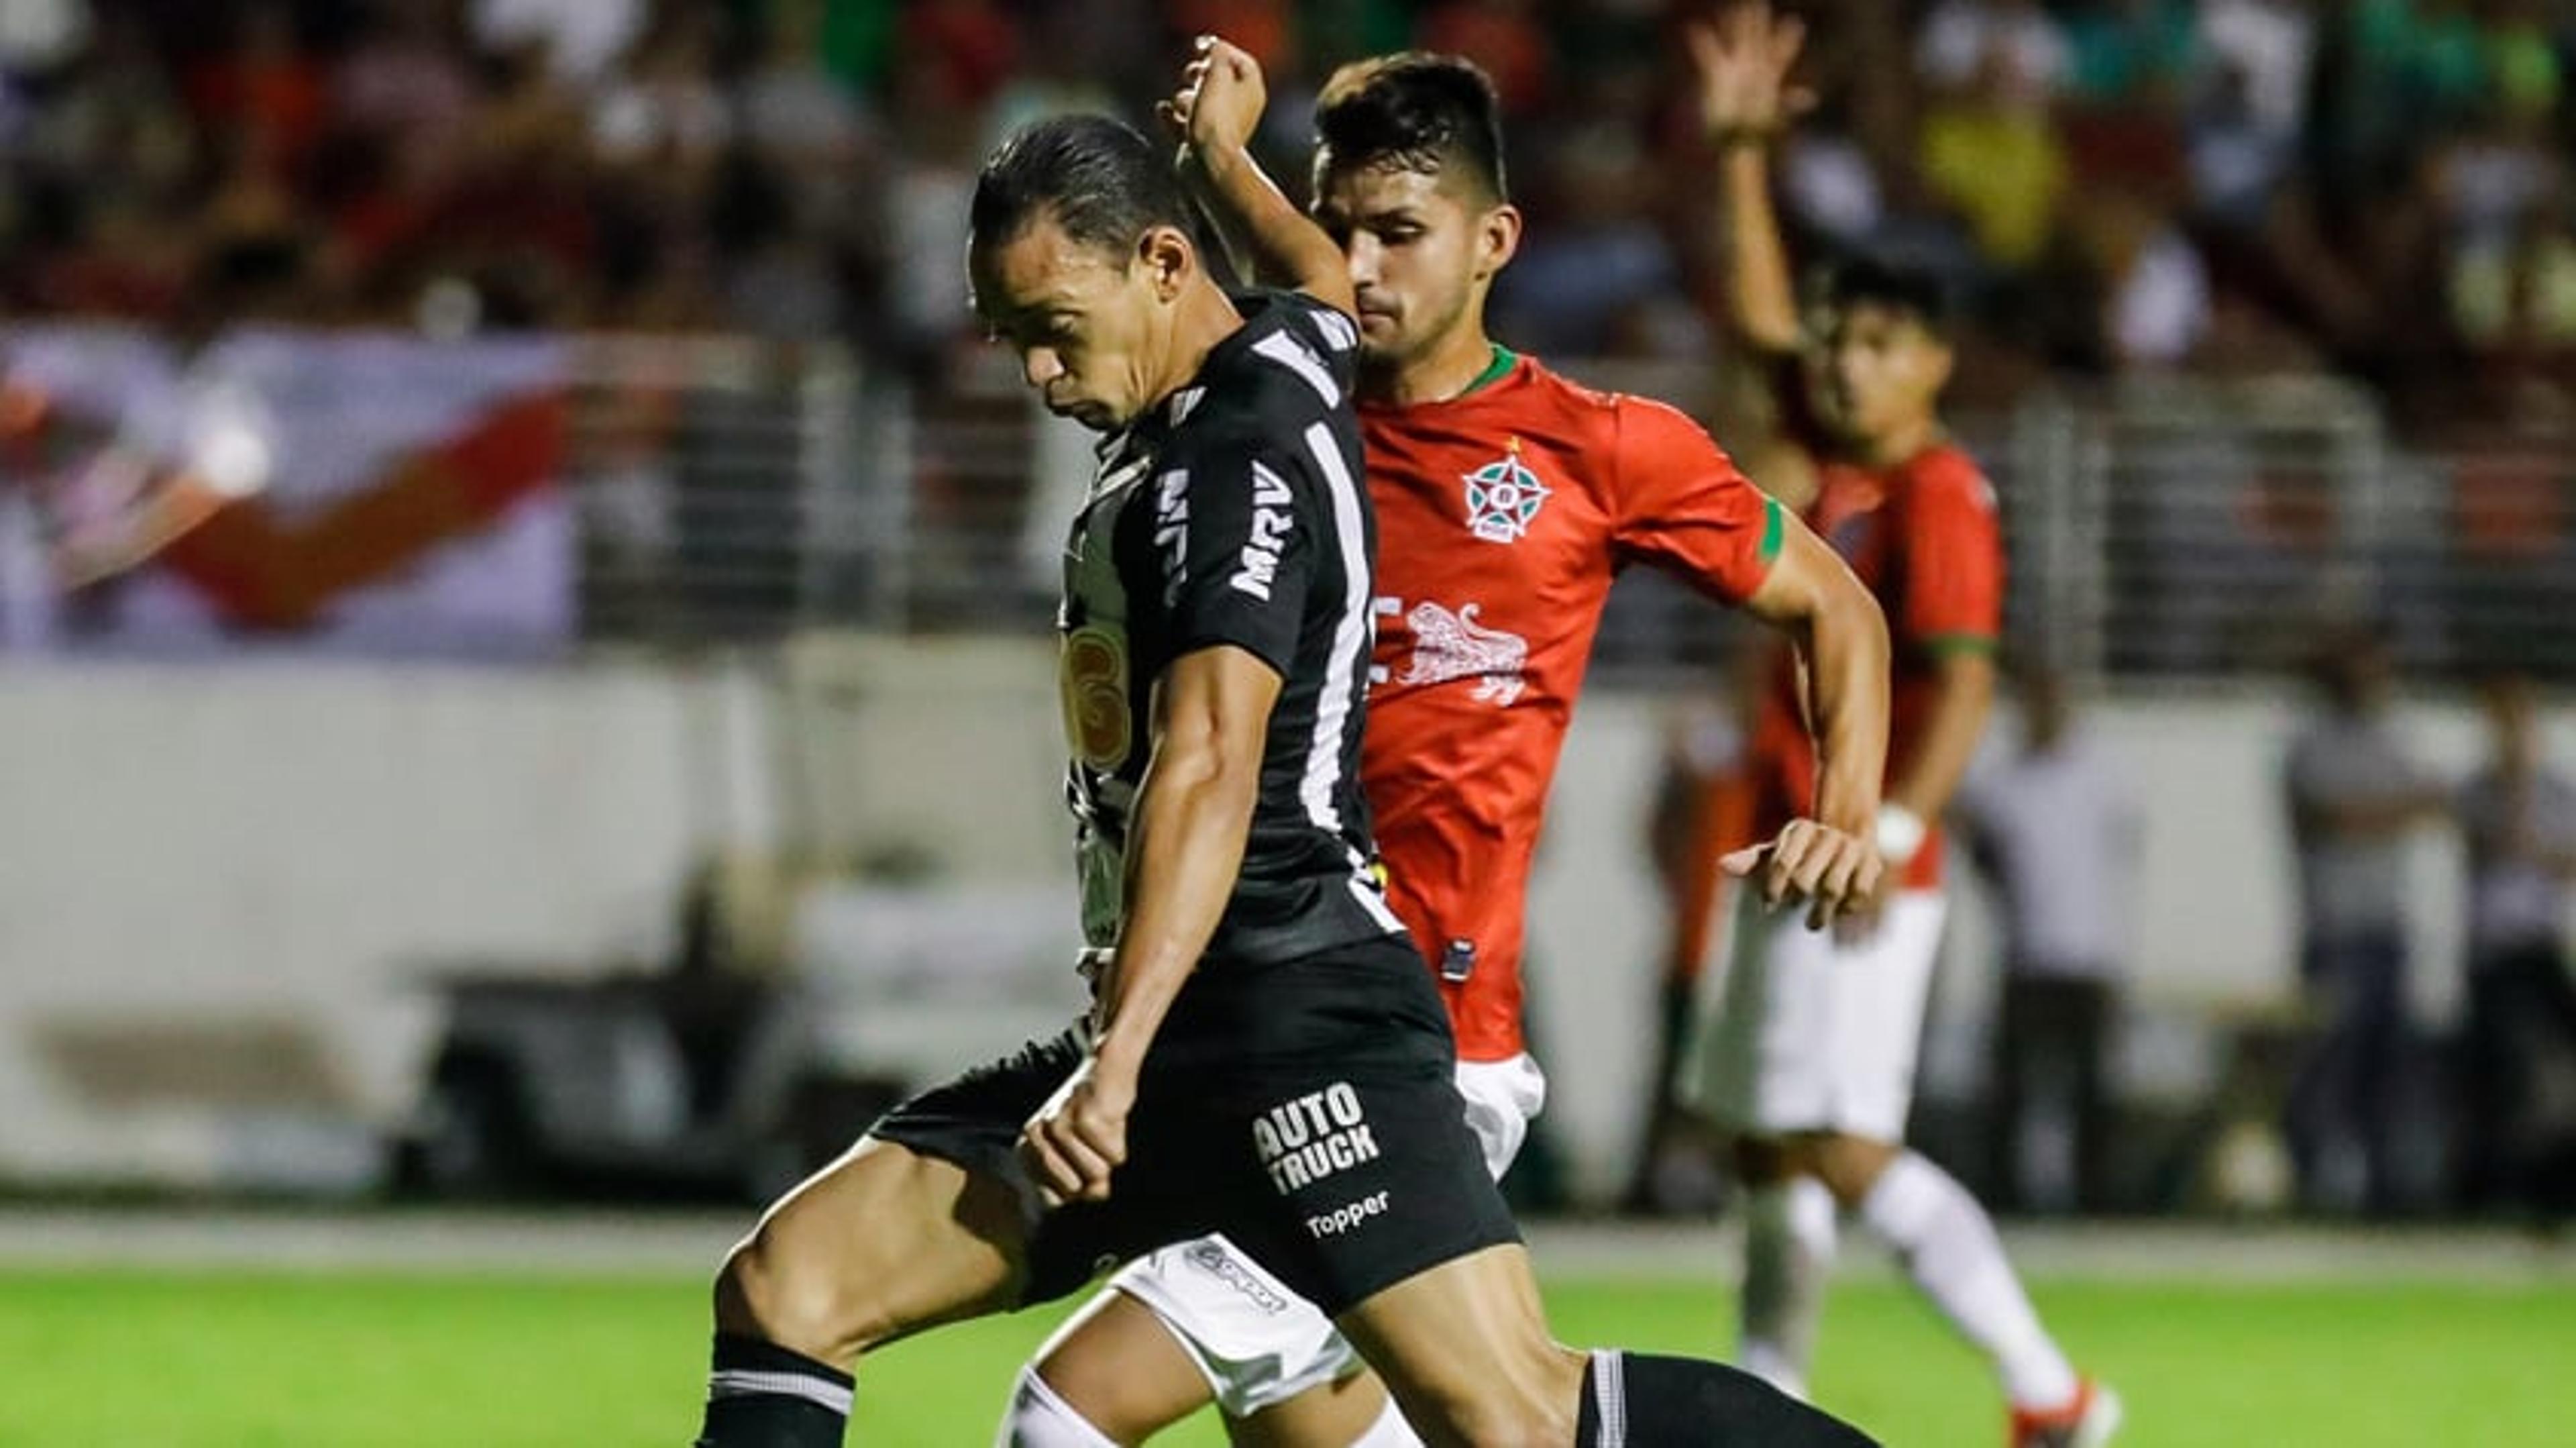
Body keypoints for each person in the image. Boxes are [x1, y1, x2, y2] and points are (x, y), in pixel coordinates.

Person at [690, 108, 1881, 1448]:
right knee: (791, 1289)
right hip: (1189, 1032)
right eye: (1003, 332)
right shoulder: (1293, 353)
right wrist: (1224, 161)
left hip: (1296, 1020)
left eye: (1053, 325)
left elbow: (1210, 755)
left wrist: (1119, 1058)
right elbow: (1320, 283)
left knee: (1510, 1416)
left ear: (1156, 264)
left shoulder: (1224, 470)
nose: (1030, 369)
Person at [1686, 8, 2118, 1447]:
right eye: (1845, 342)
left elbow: (1970, 676)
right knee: (1766, 1138)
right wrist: (1746, 157)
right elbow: (1758, 326)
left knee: (1841, 1138)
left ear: (1935, 359)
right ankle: (1777, 1394)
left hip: (1858, 854)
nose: (1851, 365)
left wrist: (1895, 827)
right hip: (1784, 832)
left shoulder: (1936, 493)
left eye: (1881, 343)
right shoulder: (1850, 468)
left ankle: (2050, 1389)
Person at [1955, 662, 2139, 1214]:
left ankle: (2094, 1202)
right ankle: (2007, 1200)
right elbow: (1978, 843)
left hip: (2089, 956)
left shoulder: (2100, 776)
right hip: (2026, 955)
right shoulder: (2006, 782)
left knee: (2091, 1094)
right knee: (2012, 1090)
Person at [2281, 627, 2447, 1216]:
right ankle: (2315, 1189)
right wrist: (2394, 810)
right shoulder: (2312, 743)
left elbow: (2434, 801)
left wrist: (2380, 812)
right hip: (2335, 932)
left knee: (2387, 1073)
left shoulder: (2391, 737)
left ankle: (2385, 1197)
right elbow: (2333, 816)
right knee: (2329, 1072)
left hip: (2386, 930)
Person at [2451, 671, 2576, 1215]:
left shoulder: (2560, 792)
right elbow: (2498, 847)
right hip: (2494, 951)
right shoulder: (2479, 791)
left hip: (2540, 945)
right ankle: (2499, 1189)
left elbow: (2560, 862)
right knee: (2499, 1071)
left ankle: (2552, 1182)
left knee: (2554, 1070)